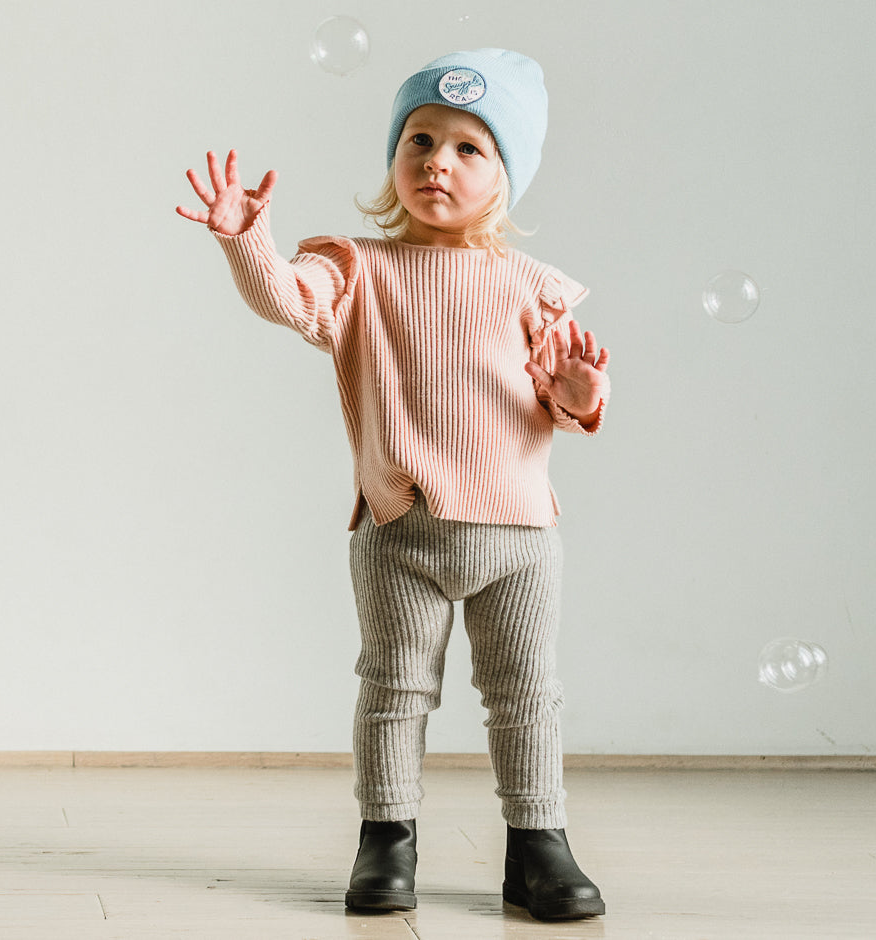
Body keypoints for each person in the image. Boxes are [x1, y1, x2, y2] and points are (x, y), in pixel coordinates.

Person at [177, 48, 609, 922]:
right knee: (393, 687)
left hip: (518, 537)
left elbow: (571, 392)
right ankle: (387, 839)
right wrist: (245, 239)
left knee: (527, 694)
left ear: (506, 178)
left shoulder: (533, 287)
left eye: (467, 149)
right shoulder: (358, 269)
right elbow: (291, 301)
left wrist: (580, 397)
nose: (435, 162)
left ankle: (539, 844)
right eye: (418, 139)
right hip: (400, 529)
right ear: (393, 157)